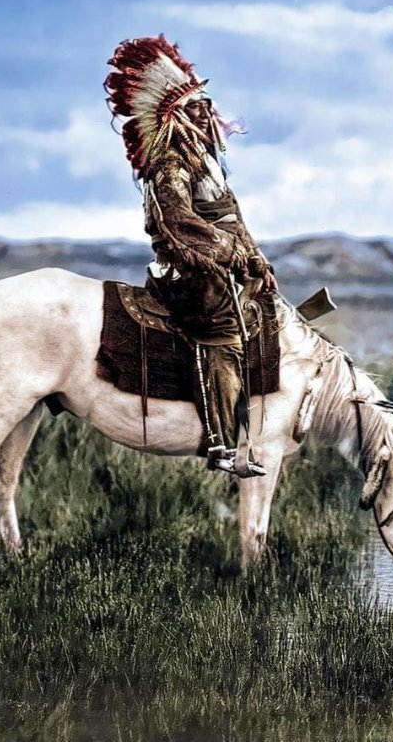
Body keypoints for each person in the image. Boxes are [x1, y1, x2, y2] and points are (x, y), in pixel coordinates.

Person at [104, 35, 274, 475]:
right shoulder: (170, 165)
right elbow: (177, 222)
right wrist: (228, 251)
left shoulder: (208, 159)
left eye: (206, 102)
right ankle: (221, 446)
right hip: (188, 270)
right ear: (175, 116)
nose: (206, 111)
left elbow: (231, 217)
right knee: (220, 329)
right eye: (194, 105)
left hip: (220, 262)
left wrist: (255, 258)